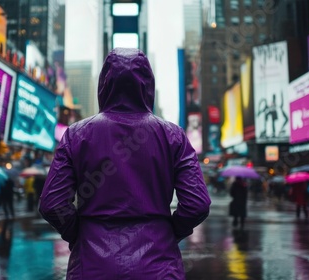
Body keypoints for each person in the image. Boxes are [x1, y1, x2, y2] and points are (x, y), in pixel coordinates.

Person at [39, 48, 211, 279]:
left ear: (104, 84)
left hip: (92, 267)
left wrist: (80, 234)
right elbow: (197, 204)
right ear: (148, 84)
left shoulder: (76, 135)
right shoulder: (173, 136)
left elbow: (52, 204)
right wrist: (169, 233)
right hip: (158, 267)